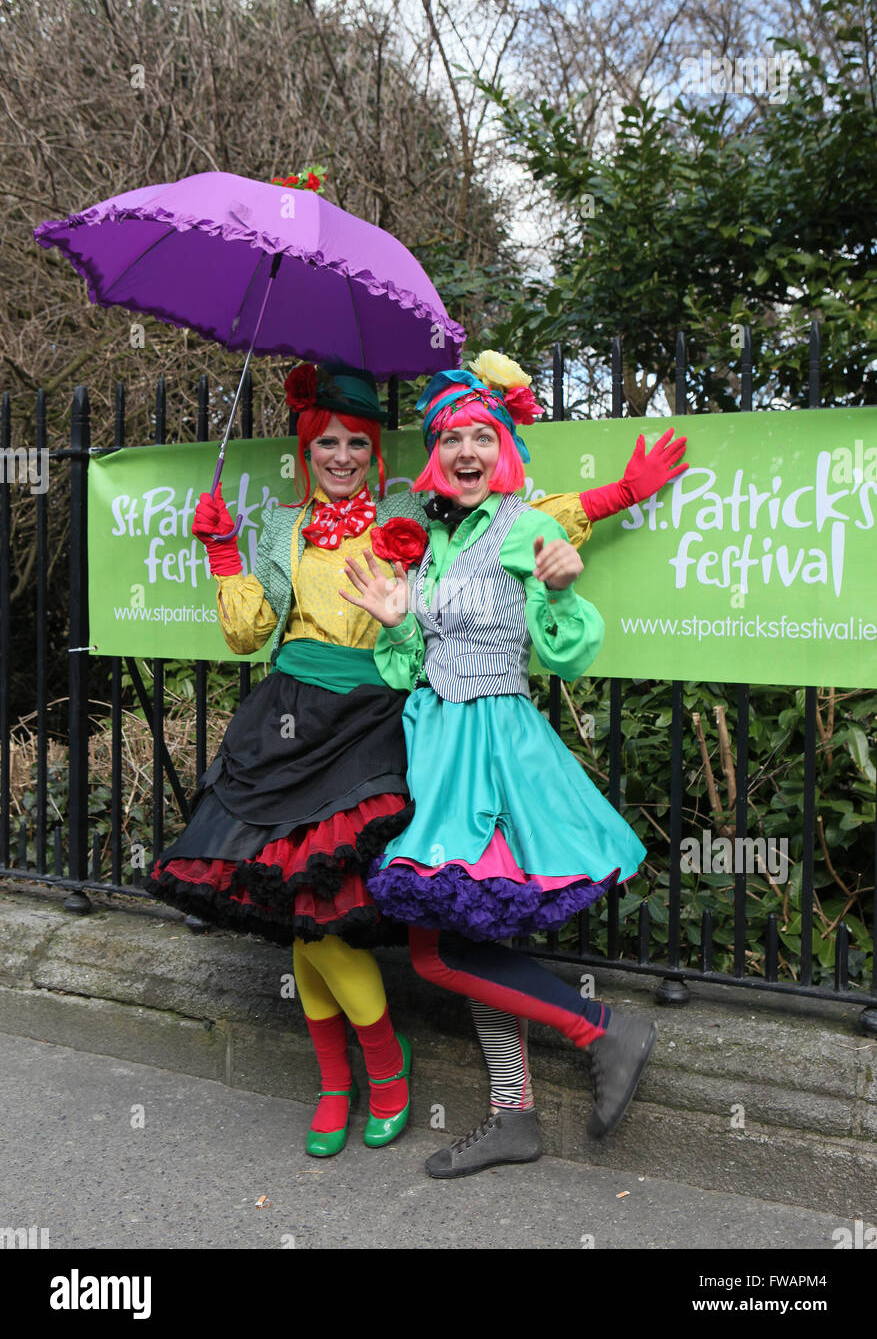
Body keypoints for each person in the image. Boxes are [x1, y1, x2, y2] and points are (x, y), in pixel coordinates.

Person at [146, 357, 596, 1161]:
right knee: (295, 904)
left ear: (379, 455)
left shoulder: (411, 505)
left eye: (358, 442)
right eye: (328, 444)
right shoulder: (278, 530)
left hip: (372, 711)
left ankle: (385, 1070)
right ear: (306, 451)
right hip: (288, 710)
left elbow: (521, 512)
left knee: (328, 911)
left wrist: (617, 497)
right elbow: (247, 634)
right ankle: (332, 1081)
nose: (343, 456)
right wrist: (221, 553)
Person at [342, 351, 687, 1178]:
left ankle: (601, 1030)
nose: (465, 449)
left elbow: (565, 655)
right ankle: (514, 1115)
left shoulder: (527, 527)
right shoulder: (427, 536)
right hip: (430, 748)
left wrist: (564, 591)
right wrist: (394, 623)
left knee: (438, 951)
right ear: (433, 453)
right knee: (467, 934)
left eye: (480, 435)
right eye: (451, 436)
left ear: (503, 447)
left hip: (489, 752)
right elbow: (403, 667)